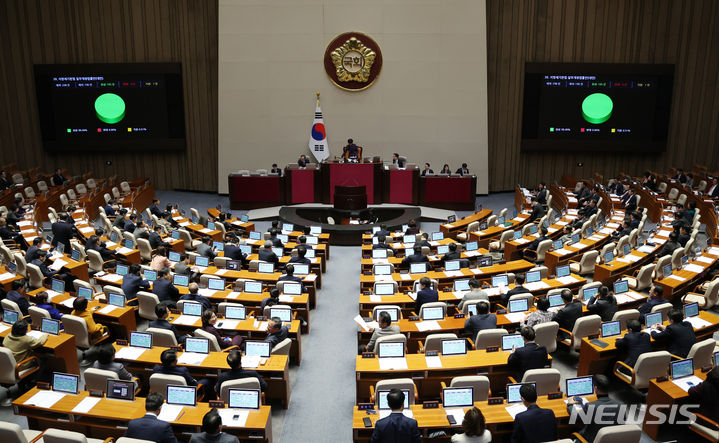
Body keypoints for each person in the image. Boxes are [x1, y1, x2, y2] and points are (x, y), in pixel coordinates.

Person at [567, 375, 623, 442]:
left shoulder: (591, 406)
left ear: (595, 389)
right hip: (612, 439)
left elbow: (575, 417)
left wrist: (570, 404)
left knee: (574, 429)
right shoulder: (621, 405)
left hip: (591, 439)